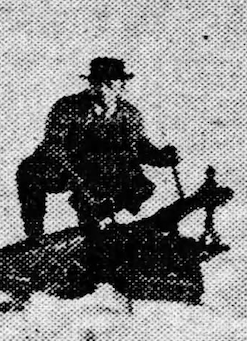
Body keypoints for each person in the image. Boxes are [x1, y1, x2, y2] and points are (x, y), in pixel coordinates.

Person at [15, 57, 179, 239]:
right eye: (96, 83)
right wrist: (80, 180)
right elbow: (55, 148)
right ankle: (34, 236)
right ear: (90, 84)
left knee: (121, 175)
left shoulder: (130, 115)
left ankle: (99, 228)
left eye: (109, 84)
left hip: (106, 172)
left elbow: (138, 147)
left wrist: (161, 157)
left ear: (121, 87)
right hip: (65, 168)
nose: (101, 89)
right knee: (28, 171)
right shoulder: (68, 107)